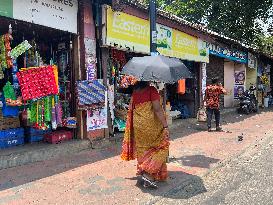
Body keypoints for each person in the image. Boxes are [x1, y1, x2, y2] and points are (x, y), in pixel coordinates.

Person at [121, 81, 169, 189]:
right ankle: (148, 174)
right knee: (162, 146)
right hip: (151, 125)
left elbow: (132, 109)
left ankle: (146, 175)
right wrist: (165, 125)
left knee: (143, 150)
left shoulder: (135, 92)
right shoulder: (152, 90)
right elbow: (157, 109)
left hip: (138, 126)